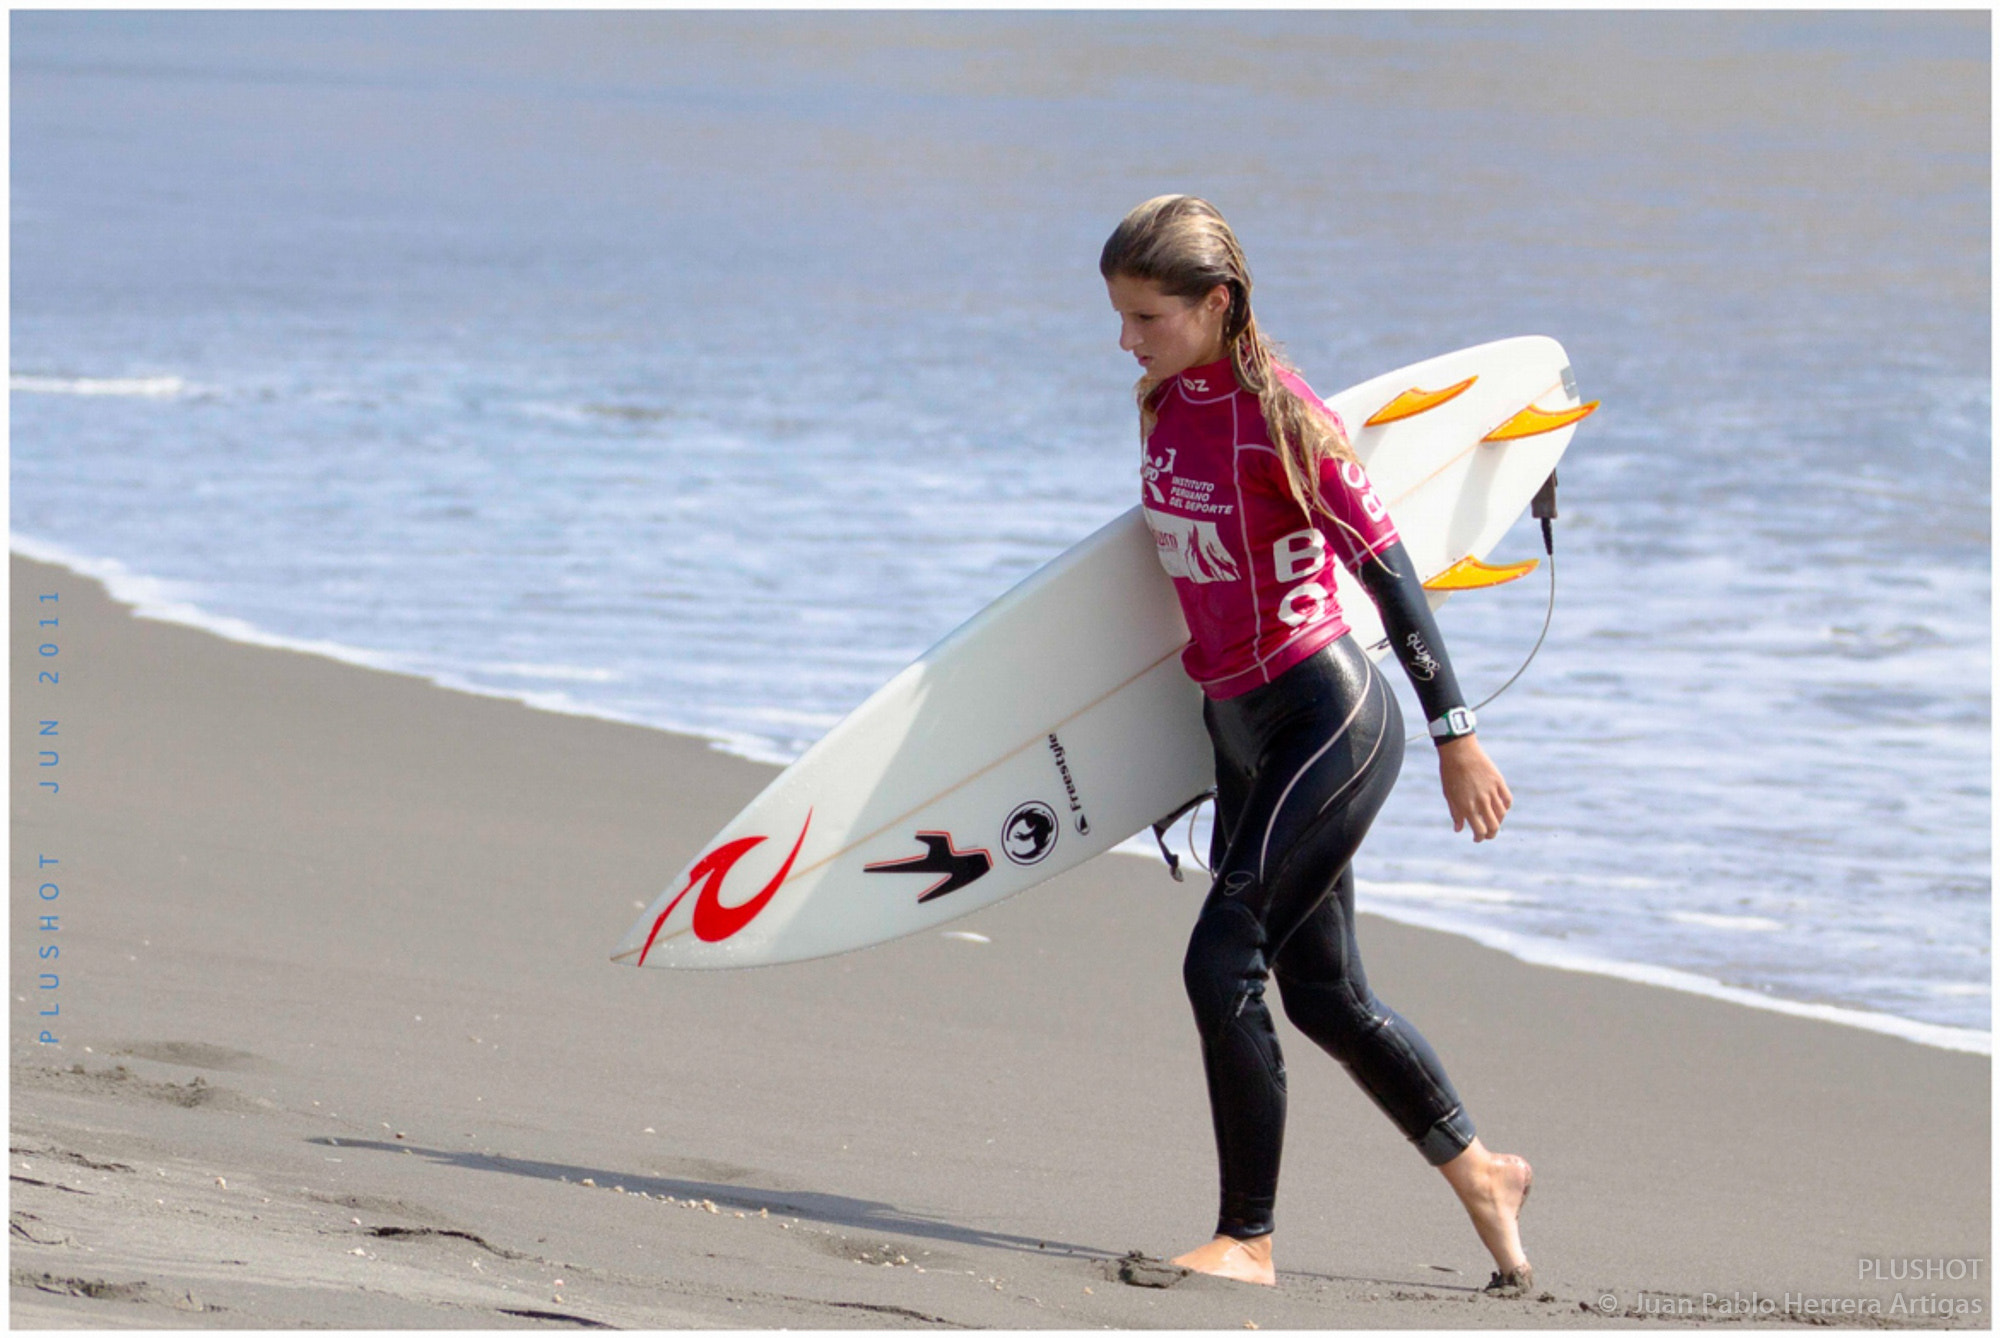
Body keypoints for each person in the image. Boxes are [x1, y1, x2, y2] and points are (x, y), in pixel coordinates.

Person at [1100, 195, 1534, 1294]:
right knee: (1324, 994)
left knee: (1220, 960)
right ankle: (1484, 1172)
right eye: (1118, 316)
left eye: (1147, 317)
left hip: (1322, 718)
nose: (1125, 341)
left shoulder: (1281, 421)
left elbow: (1389, 575)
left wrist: (1457, 736)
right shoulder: (1161, 401)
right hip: (1237, 728)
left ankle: (1246, 1239)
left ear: (1217, 303)